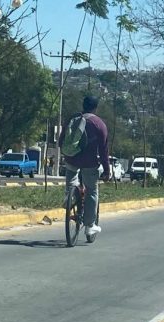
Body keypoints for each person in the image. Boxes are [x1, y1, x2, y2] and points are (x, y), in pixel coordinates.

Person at [59, 95, 111, 238]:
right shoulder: (99, 124)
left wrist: (68, 153)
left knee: (71, 179)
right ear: (95, 107)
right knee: (92, 191)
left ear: (83, 105)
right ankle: (89, 225)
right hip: (90, 163)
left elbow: (61, 141)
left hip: (71, 159)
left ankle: (69, 196)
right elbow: (104, 151)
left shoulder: (72, 119)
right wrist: (107, 170)